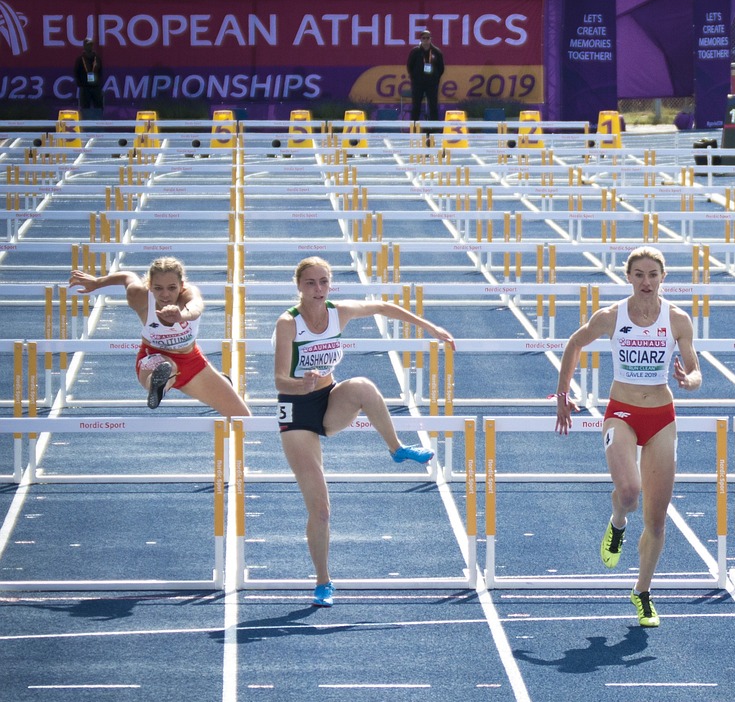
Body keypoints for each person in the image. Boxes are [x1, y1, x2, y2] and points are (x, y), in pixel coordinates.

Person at [274, 257, 454, 607]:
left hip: (328, 398)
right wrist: (301, 383)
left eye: (323, 282)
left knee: (364, 386)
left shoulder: (339, 312)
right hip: (296, 410)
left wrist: (430, 327)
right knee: (321, 509)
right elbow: (280, 379)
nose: (318, 289)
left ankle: (396, 448)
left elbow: (384, 306)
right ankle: (323, 581)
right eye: (310, 283)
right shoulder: (287, 324)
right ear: (299, 286)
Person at [554, 246, 702, 629]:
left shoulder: (678, 319)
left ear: (663, 278)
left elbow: (695, 369)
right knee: (630, 493)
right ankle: (618, 521)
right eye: (639, 274)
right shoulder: (611, 316)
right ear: (629, 277)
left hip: (661, 417)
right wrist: (562, 395)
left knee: (656, 519)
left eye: (653, 274)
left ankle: (642, 592)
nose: (646, 281)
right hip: (621, 412)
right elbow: (574, 343)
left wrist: (689, 380)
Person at [68, 257, 250, 418]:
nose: (165, 294)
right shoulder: (139, 296)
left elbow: (196, 307)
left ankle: (191, 381)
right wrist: (98, 282)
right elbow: (127, 277)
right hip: (152, 356)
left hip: (192, 362)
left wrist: (181, 316)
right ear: (149, 287)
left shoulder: (189, 294)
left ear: (181, 286)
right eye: (158, 288)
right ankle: (157, 387)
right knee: (167, 367)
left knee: (242, 417)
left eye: (172, 288)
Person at [406, 29, 445, 125]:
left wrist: (435, 78)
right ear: (420, 39)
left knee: (433, 106)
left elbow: (441, 68)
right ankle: (414, 129)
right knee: (416, 106)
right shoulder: (415, 52)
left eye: (428, 38)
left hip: (431, 84)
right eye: (424, 38)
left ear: (430, 39)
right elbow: (409, 66)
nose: (426, 40)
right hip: (418, 84)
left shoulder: (436, 52)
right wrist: (415, 78)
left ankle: (434, 129)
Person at [74, 38, 104, 112]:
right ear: (84, 46)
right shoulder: (80, 59)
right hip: (85, 88)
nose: (89, 47)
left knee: (98, 107)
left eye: (91, 45)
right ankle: (84, 122)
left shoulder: (97, 58)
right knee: (85, 107)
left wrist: (98, 82)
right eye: (87, 45)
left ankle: (98, 121)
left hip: (95, 87)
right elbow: (76, 72)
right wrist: (81, 84)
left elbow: (100, 71)